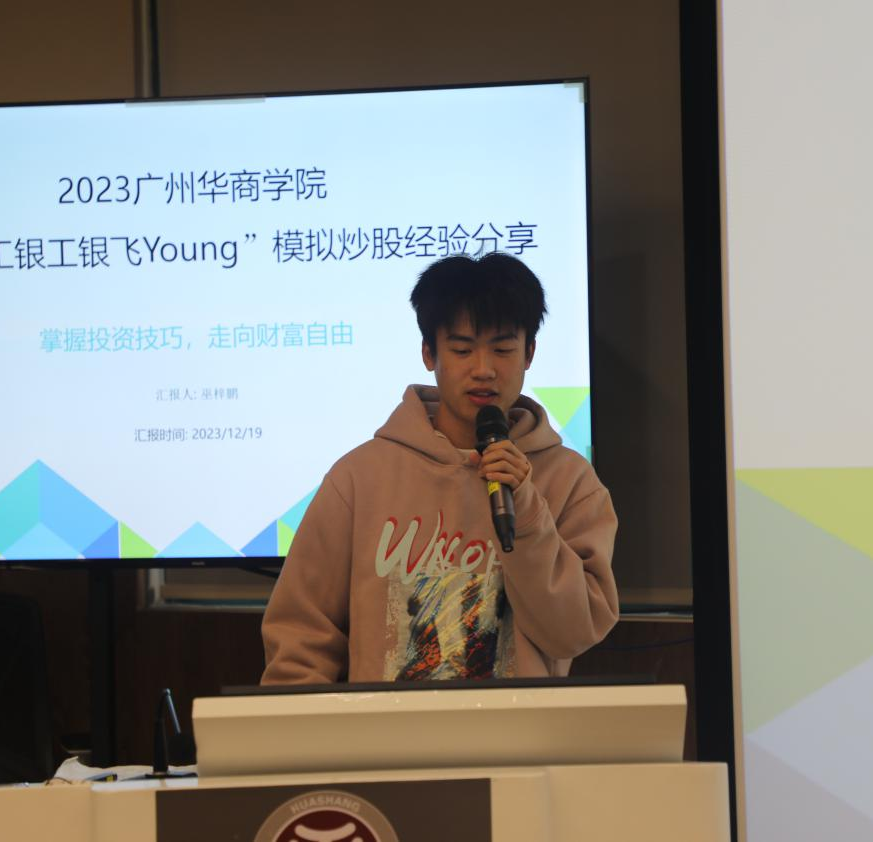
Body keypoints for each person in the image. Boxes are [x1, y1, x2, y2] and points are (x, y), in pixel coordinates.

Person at [259, 252, 618, 682]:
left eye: (503, 349)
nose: (483, 370)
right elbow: (301, 634)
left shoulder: (571, 482)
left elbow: (574, 633)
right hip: (387, 727)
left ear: (529, 353)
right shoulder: (359, 478)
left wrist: (527, 514)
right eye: (462, 349)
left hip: (518, 725)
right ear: (429, 353)